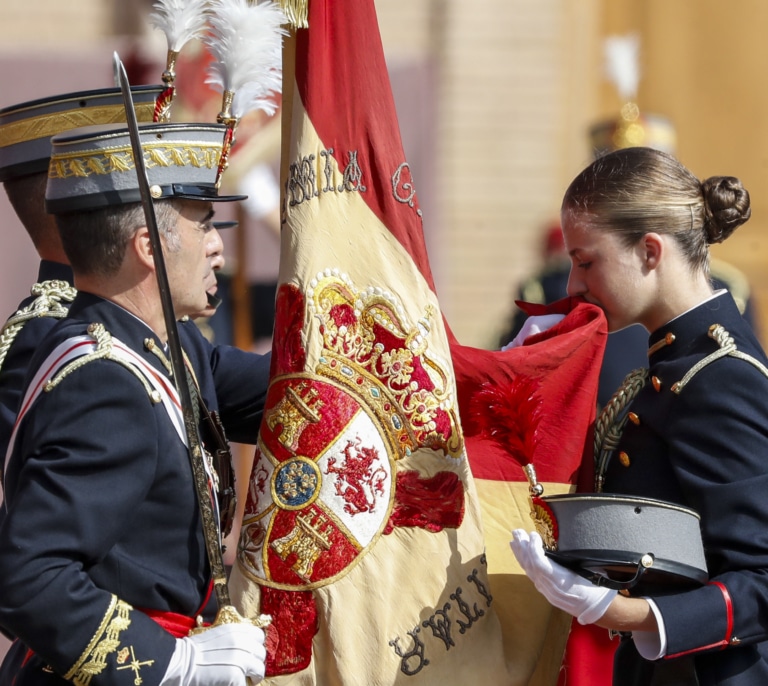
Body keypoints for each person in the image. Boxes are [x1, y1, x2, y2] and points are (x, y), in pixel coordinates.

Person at [0, 120, 272, 685]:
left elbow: (284, 389)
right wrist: (175, 664)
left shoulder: (169, 344)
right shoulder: (106, 381)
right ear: (148, 247)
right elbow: (28, 577)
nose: (218, 245)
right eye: (203, 224)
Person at [511, 146, 768, 685]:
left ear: (650, 251)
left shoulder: (721, 376)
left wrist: (621, 612)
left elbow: (762, 578)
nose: (572, 286)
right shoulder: (671, 365)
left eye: (586, 262)